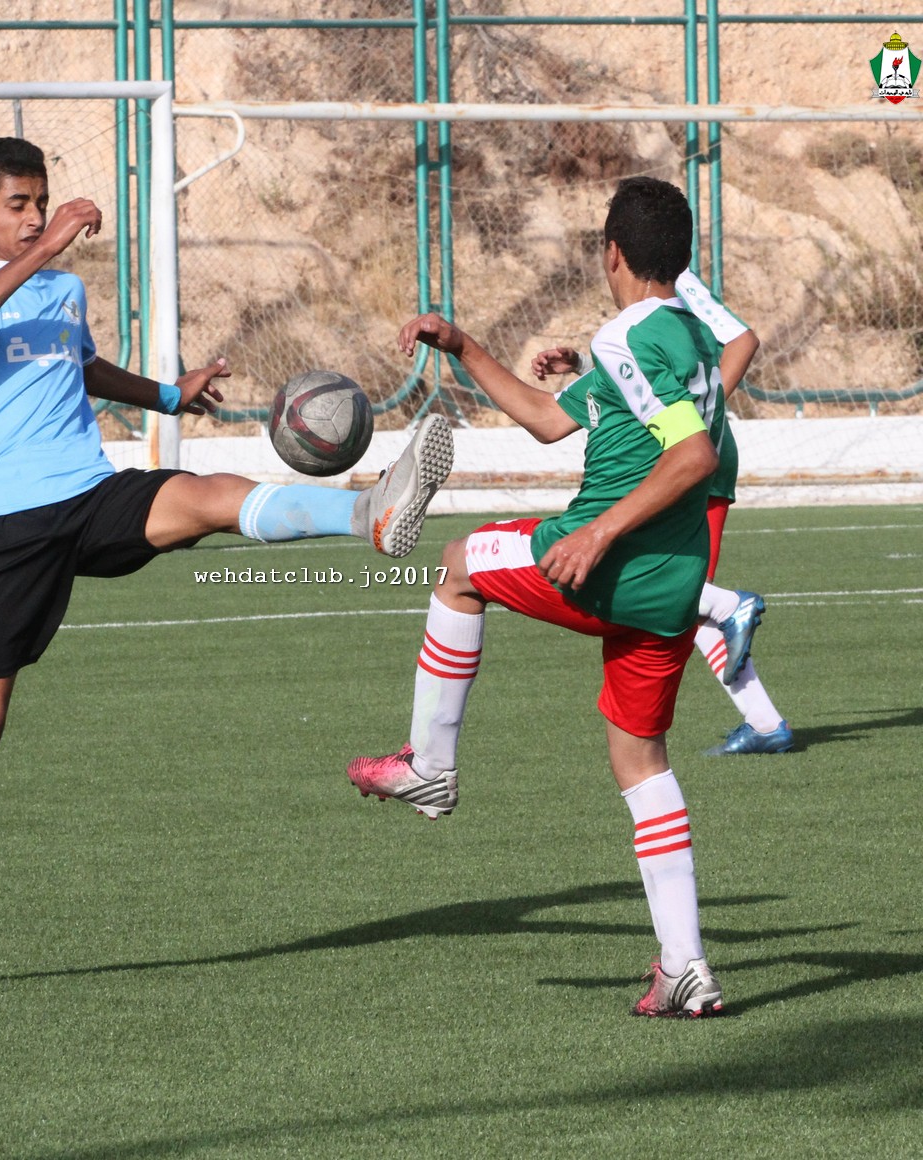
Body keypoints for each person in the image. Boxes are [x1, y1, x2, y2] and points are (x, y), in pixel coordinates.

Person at [0, 136, 454, 999]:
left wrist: (169, 393)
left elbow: (76, 366)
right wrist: (47, 248)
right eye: (17, 205)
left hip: (85, 494)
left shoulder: (60, 288)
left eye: (40, 202)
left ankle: (368, 512)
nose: (34, 217)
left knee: (203, 498)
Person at [347, 177, 726, 1018]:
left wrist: (597, 534)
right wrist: (464, 346)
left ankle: (429, 767)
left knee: (458, 564)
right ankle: (685, 967)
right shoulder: (690, 336)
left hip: (609, 561)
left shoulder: (628, 335)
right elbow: (552, 421)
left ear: (611, 253)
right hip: (673, 581)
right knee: (641, 761)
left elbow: (692, 457)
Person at [532, 267, 793, 756]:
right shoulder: (644, 288)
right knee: (676, 602)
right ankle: (764, 723)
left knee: (670, 591)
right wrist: (585, 364)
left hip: (688, 461)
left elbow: (742, 340)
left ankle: (728, 610)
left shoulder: (672, 273)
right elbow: (661, 368)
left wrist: (700, 418)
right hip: (676, 454)